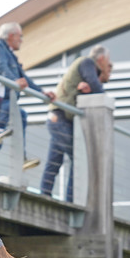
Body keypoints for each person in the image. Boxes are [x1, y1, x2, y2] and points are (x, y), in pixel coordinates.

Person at [0, 22, 55, 177]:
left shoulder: (9, 53)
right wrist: (14, 81)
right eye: (20, 36)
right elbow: (0, 69)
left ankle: (20, 159)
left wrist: (42, 92)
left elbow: (23, 78)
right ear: (11, 36)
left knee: (18, 118)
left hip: (6, 101)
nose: (21, 40)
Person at [40, 45, 112, 202]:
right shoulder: (87, 63)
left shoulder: (84, 66)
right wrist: (105, 99)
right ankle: (71, 199)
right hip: (60, 118)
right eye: (107, 60)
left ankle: (45, 194)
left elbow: (87, 87)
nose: (107, 64)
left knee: (55, 160)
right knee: (79, 156)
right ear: (101, 59)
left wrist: (86, 90)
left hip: (58, 117)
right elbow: (95, 84)